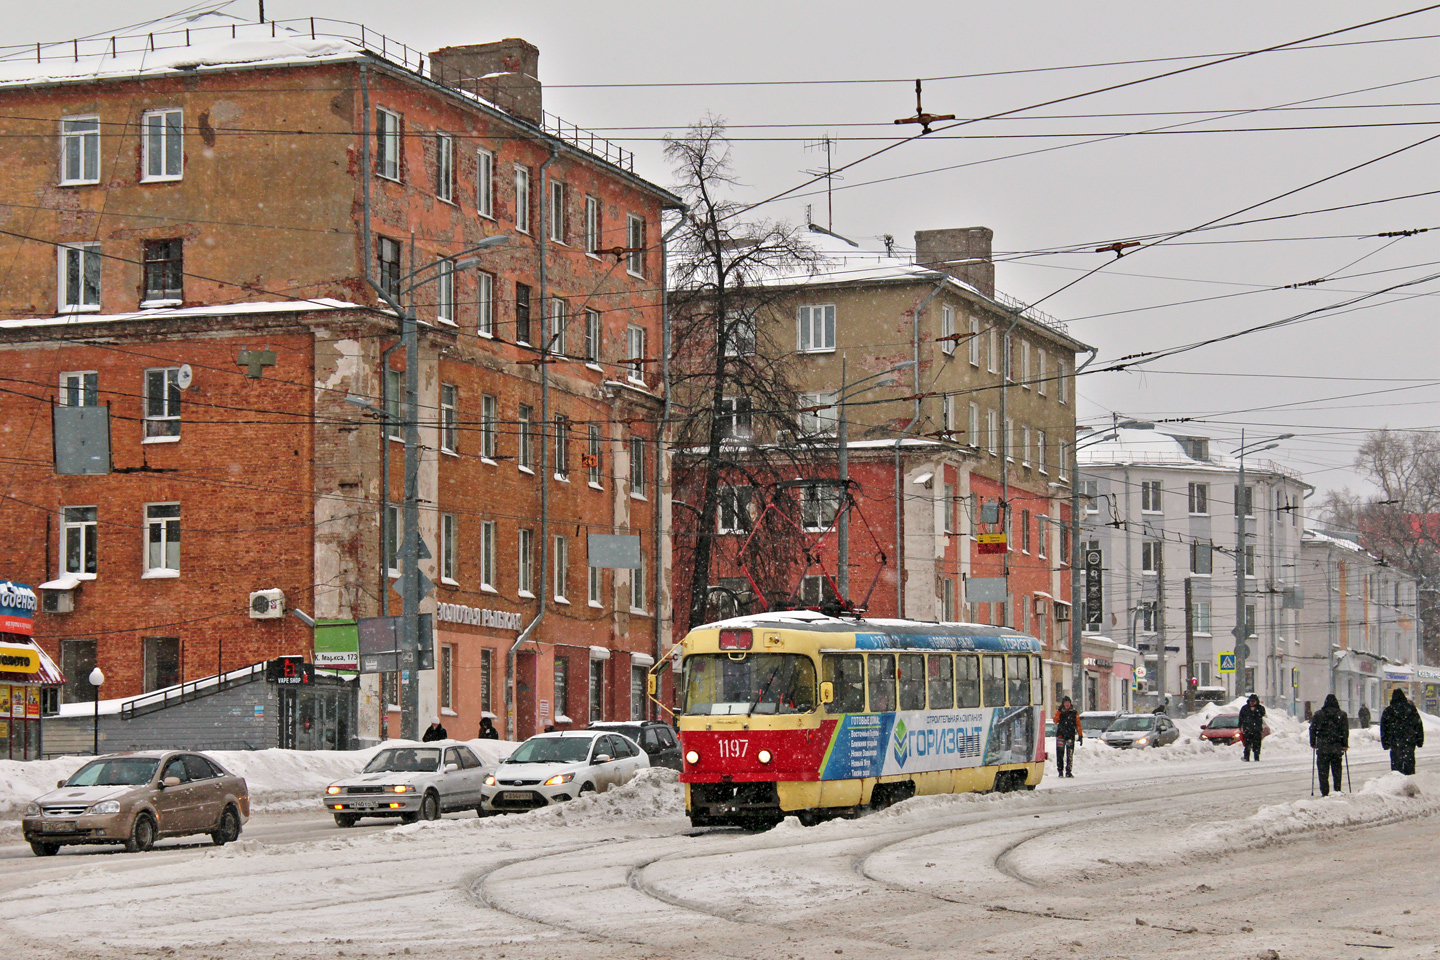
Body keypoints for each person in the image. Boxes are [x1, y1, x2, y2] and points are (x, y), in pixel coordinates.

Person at [1309, 693, 1349, 796]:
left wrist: (1313, 742)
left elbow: (1312, 729)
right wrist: (1345, 744)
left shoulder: (1319, 714)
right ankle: (1337, 790)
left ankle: (1325, 791)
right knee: (1337, 771)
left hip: (1323, 747)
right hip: (1336, 747)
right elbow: (1345, 731)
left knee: (1323, 772)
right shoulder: (1342, 715)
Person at [1380, 689, 1425, 775]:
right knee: (1409, 763)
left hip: (1395, 742)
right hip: (1409, 741)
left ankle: (1398, 781)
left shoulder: (1388, 711)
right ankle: (1409, 780)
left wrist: (1385, 743)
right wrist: (1419, 740)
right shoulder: (1411, 709)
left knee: (1396, 766)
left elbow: (1384, 728)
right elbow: (1418, 725)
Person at [1053, 696, 1081, 778]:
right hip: (1060, 735)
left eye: (1068, 703)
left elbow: (1078, 725)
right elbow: (1055, 720)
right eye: (1065, 703)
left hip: (1070, 736)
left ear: (1070, 703)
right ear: (1063, 704)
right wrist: (1059, 711)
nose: (1067, 704)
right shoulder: (1060, 712)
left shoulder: (1075, 713)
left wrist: (1080, 735)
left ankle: (1068, 771)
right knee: (1060, 754)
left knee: (1070, 754)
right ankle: (1060, 771)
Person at [1238, 694, 1266, 762]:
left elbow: (1262, 714)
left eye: (1253, 701)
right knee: (1247, 744)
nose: (1252, 703)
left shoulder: (1260, 708)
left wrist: (1255, 711)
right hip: (1248, 730)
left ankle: (1256, 756)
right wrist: (1240, 726)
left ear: (1256, 701)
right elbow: (1241, 717)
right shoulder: (1245, 708)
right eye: (1250, 701)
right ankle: (1246, 757)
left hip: (1257, 730)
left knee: (1257, 744)